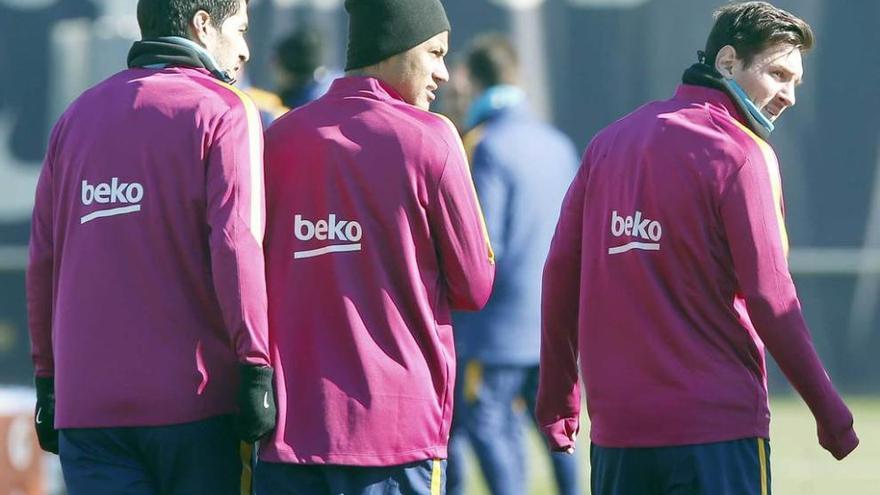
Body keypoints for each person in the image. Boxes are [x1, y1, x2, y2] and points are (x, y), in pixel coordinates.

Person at [536, 2, 859, 494]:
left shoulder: (607, 143)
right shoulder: (741, 155)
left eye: (796, 81)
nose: (790, 95)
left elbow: (560, 271)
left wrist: (558, 395)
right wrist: (830, 413)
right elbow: (772, 300)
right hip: (716, 431)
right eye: (778, 74)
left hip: (620, 435)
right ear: (727, 62)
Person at [26, 0, 275, 492]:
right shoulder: (224, 109)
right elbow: (236, 245)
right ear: (203, 25)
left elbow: (43, 262)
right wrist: (255, 366)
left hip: (88, 411)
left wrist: (47, 379)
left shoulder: (74, 119)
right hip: (193, 407)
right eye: (241, 30)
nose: (245, 50)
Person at [256, 0, 495, 493]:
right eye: (434, 53)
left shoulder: (277, 140)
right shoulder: (432, 140)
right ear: (396, 50)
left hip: (291, 430)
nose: (444, 74)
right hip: (396, 435)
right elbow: (475, 285)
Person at [446, 34, 580, 495]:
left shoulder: (485, 144)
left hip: (496, 327)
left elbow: (486, 244)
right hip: (553, 320)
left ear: (474, 79)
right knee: (557, 429)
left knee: (484, 422)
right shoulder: (557, 143)